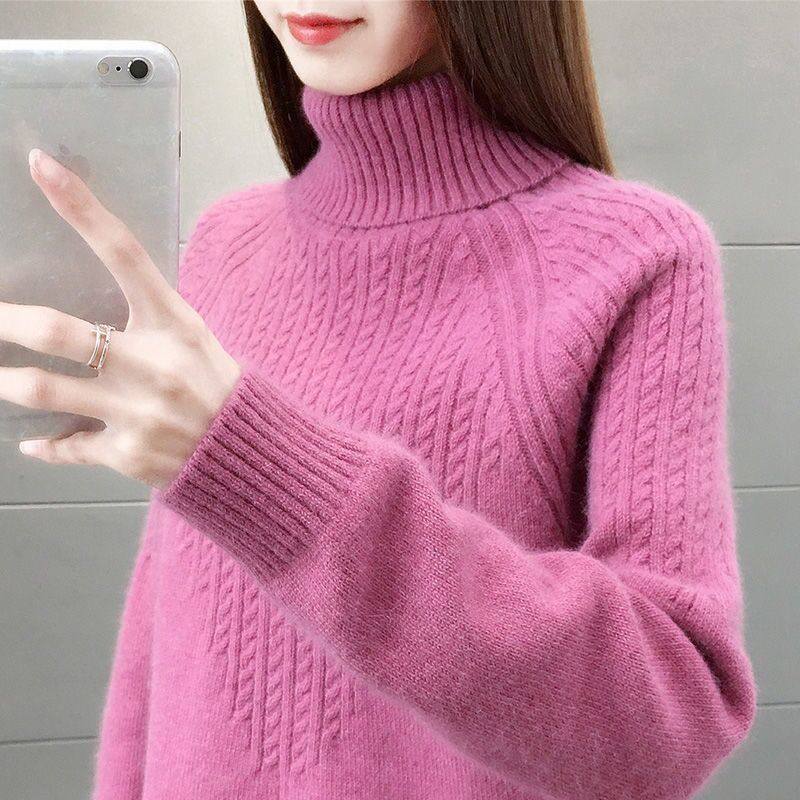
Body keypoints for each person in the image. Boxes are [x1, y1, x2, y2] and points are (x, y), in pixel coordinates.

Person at [7, 2, 756, 799]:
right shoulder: (226, 246)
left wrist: (262, 470)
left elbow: (670, 725)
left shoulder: (637, 257)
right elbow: (158, 660)